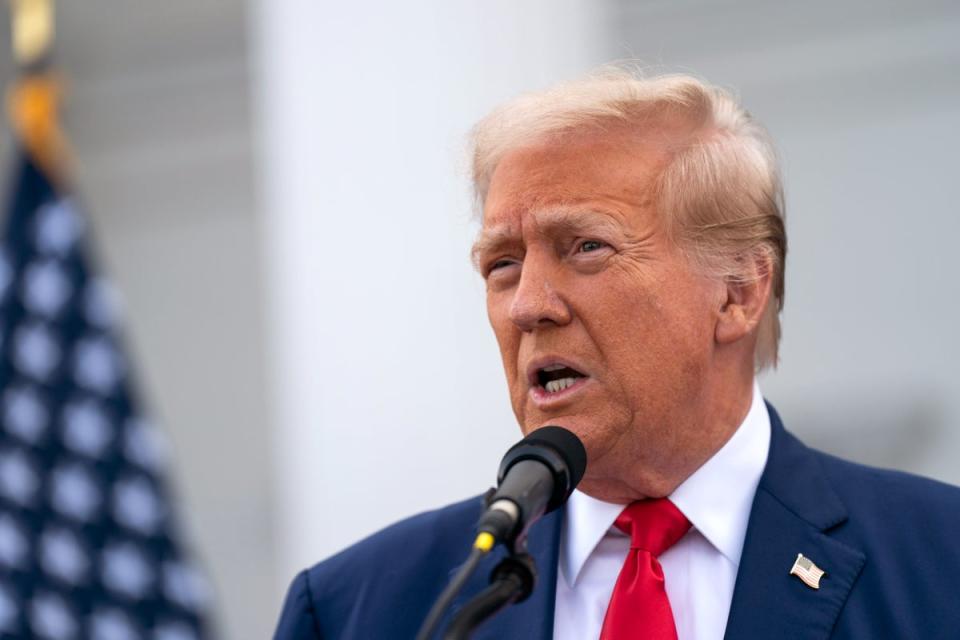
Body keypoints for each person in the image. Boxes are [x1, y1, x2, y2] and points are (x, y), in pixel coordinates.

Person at [273, 69, 960, 639]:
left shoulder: (939, 562)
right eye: (502, 264)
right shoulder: (360, 609)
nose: (528, 305)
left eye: (586, 247)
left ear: (739, 293)